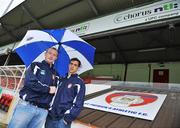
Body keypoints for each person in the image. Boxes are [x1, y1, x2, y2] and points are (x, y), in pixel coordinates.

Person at [8, 47, 58, 128]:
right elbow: (30, 83)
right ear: (45, 54)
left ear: (56, 58)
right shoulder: (35, 65)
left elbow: (55, 92)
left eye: (54, 55)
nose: (51, 56)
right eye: (50, 53)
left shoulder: (56, 74)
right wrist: (48, 89)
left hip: (42, 111)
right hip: (27, 106)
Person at [45, 58, 86, 128]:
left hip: (63, 119)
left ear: (78, 68)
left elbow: (79, 103)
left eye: (75, 65)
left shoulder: (79, 82)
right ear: (68, 65)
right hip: (51, 116)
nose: (72, 66)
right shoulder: (61, 79)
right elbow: (53, 94)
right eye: (71, 64)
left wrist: (67, 118)